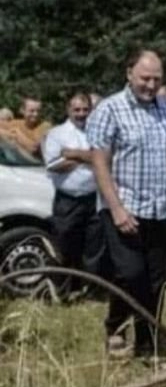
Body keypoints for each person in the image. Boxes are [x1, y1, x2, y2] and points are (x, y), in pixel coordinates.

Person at [87, 49, 166, 361]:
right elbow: (100, 164)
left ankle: (148, 347)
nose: (150, 85)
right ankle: (115, 326)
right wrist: (118, 208)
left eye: (156, 79)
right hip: (122, 206)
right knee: (132, 274)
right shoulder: (110, 109)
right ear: (129, 74)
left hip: (159, 209)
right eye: (144, 78)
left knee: (155, 280)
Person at [42, 92, 106, 296]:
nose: (81, 114)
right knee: (64, 247)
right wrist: (89, 157)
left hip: (94, 197)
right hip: (67, 201)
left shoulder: (98, 132)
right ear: (68, 110)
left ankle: (91, 292)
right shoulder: (57, 134)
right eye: (76, 109)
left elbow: (105, 158)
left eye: (85, 109)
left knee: (93, 248)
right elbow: (54, 165)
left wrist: (74, 154)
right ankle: (61, 292)